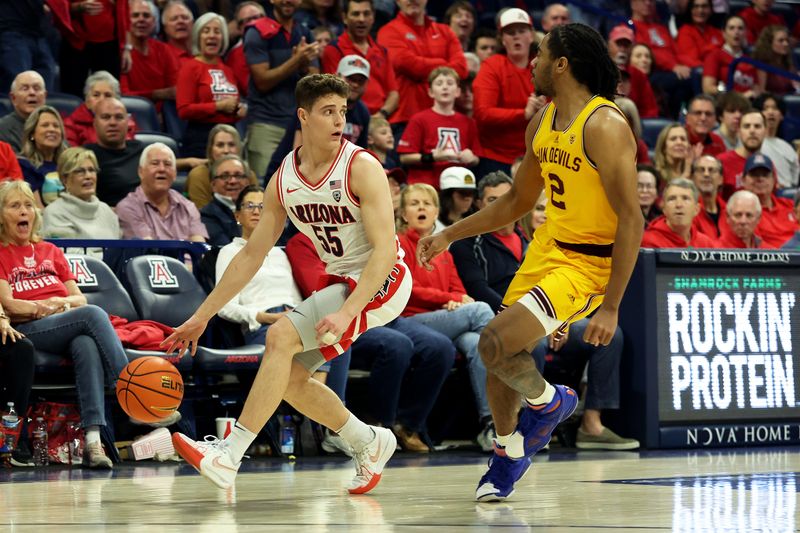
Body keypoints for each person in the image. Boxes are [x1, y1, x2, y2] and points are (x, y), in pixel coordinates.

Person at [416, 23, 643, 502]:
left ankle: (550, 403)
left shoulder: (605, 125)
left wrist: (612, 307)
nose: (533, 62)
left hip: (587, 265)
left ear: (561, 64)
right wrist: (448, 235)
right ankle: (508, 451)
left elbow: (632, 220)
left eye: (540, 54)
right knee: (500, 354)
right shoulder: (542, 121)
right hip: (547, 250)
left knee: (491, 342)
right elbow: (518, 201)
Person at [166, 74, 412, 494]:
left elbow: (385, 251)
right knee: (293, 380)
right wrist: (201, 316)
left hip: (382, 278)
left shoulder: (361, 166)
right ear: (303, 116)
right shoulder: (284, 179)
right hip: (342, 283)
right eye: (327, 111)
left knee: (279, 337)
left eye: (343, 111)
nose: (339, 120)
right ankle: (368, 442)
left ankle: (229, 455)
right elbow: (249, 254)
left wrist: (347, 311)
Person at [0, 180, 139, 469]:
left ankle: (92, 442)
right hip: (27, 330)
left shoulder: (50, 250)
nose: (24, 211)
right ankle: (131, 393)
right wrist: (49, 307)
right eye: (15, 206)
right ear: (1, 215)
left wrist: (52, 306)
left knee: (86, 343)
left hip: (60, 321)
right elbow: (11, 306)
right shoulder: (1, 253)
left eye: (28, 204)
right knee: (94, 316)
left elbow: (79, 299)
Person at [285, 229, 453, 453]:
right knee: (397, 345)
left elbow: (386, 270)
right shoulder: (302, 243)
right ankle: (378, 427)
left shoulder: (354, 230)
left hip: (384, 308)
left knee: (440, 347)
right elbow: (317, 288)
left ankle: (407, 425)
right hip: (349, 315)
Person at [396, 183, 495, 451]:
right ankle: (513, 389)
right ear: (403, 214)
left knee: (476, 342)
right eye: (414, 203)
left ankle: (491, 424)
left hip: (446, 319)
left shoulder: (443, 252)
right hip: (411, 320)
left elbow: (459, 290)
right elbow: (406, 290)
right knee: (481, 311)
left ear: (436, 211)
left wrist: (456, 300)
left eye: (427, 204)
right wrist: (448, 301)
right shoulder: (399, 246)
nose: (421, 208)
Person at [217, 186, 302, 345]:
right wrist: (265, 316)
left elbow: (296, 299)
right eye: (249, 206)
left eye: (262, 207)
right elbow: (225, 308)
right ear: (237, 215)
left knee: (336, 342)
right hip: (262, 325)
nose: (256, 212)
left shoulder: (279, 253)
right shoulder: (229, 252)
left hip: (293, 319)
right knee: (307, 347)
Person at [243, 0, 320, 177]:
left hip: (299, 126)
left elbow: (313, 82)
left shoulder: (304, 32)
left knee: (299, 186)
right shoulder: (256, 31)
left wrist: (303, 68)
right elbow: (262, 81)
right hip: (266, 125)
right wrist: (296, 61)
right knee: (268, 185)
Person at [473, 8, 543, 177]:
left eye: (522, 31)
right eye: (510, 33)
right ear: (502, 39)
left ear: (531, 36)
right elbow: (483, 113)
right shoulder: (492, 66)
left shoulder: (542, 65)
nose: (516, 36)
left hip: (536, 156)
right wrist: (523, 114)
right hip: (497, 157)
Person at [376, 0, 467, 130]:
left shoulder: (445, 31)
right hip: (404, 120)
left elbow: (462, 68)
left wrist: (424, 67)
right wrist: (444, 63)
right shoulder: (388, 32)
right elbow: (407, 64)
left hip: (445, 120)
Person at [450, 171, 528, 314]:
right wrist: (518, 316)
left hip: (536, 311)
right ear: (479, 204)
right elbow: (478, 290)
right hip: (496, 316)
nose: (501, 205)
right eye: (493, 200)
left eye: (507, 198)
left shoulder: (528, 239)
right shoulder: (465, 244)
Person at [398, 66, 480, 188]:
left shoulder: (468, 122)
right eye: (439, 83)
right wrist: (432, 157)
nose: (445, 87)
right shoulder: (419, 119)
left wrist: (471, 158)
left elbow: (476, 157)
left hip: (457, 186)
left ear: (458, 91)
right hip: (426, 185)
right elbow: (405, 157)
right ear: (430, 92)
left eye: (450, 83)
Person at [177, 12, 245, 158]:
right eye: (206, 31)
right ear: (198, 37)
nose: (212, 36)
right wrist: (218, 106)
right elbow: (184, 110)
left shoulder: (227, 69)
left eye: (217, 31)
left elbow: (231, 103)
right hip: (201, 138)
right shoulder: (190, 67)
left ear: (223, 38)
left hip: (229, 135)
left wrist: (238, 111)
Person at [321, 0, 399, 119]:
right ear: (345, 18)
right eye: (356, 14)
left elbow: (393, 93)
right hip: (348, 117)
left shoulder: (382, 51)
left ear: (373, 17)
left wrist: (381, 115)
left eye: (366, 14)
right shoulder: (334, 49)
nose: (361, 19)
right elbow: (333, 91)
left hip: (381, 119)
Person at [116, 142, 208, 241]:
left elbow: (199, 249)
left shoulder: (188, 207)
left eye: (167, 164)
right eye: (155, 163)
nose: (162, 169)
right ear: (141, 172)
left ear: (175, 173)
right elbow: (147, 250)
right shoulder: (128, 208)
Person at [57, 0, 129, 98]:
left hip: (110, 44)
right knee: (72, 96)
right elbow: (57, 6)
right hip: (75, 42)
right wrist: (77, 7)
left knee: (109, 94)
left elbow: (123, 10)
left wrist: (126, 47)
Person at [43, 147, 120, 239]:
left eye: (91, 170)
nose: (88, 176)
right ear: (64, 179)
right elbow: (67, 252)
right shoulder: (54, 212)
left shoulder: (106, 210)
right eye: (80, 171)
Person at [85, 98, 147, 207]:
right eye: (106, 117)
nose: (113, 123)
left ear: (128, 123)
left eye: (119, 117)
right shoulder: (86, 156)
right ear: (95, 123)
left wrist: (187, 161)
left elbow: (159, 165)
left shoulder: (138, 148)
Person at [121, 0, 181, 108]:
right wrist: (157, 94)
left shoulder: (163, 50)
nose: (141, 19)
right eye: (135, 15)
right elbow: (124, 96)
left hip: (163, 116)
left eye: (146, 15)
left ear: (154, 22)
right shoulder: (121, 53)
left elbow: (175, 90)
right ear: (126, 20)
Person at [186, 124, 259, 209]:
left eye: (231, 145)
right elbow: (202, 215)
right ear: (210, 150)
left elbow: (257, 209)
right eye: (220, 145)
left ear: (239, 149)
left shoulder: (249, 175)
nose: (226, 151)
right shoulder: (198, 175)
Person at [64, 71, 138, 147]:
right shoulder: (71, 124)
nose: (102, 99)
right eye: (96, 95)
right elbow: (72, 156)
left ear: (116, 100)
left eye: (108, 95)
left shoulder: (126, 123)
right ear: (87, 100)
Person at [739, 153, 798, 247]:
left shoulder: (790, 205)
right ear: (743, 180)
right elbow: (756, 245)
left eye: (765, 175)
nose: (760, 179)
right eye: (754, 175)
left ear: (774, 180)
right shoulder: (741, 213)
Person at [641, 178, 717, 248]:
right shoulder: (647, 242)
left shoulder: (706, 244)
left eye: (685, 198)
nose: (679, 205)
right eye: (672, 199)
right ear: (664, 209)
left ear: (696, 209)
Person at [18, 106, 68, 208]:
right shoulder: (24, 165)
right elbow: (37, 209)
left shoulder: (69, 164)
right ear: (32, 134)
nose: (52, 129)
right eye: (45, 125)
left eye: (56, 126)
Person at [0, 1, 55, 94]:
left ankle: (41, 109)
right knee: (20, 84)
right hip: (11, 32)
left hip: (39, 35)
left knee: (44, 85)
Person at [201, 154, 251, 246]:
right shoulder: (206, 215)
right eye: (225, 176)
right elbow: (225, 249)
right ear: (213, 185)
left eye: (238, 175)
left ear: (247, 182)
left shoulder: (261, 210)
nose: (232, 181)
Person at [701, 16, 758, 97]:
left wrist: (754, 94)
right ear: (724, 33)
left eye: (740, 28)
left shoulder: (750, 59)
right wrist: (733, 94)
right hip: (725, 102)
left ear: (745, 33)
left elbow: (757, 87)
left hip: (748, 103)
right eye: (731, 28)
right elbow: (707, 88)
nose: (736, 32)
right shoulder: (714, 56)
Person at [718, 110, 768, 199]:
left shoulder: (768, 163)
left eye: (757, 126)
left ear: (765, 131)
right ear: (739, 131)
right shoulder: (722, 161)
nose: (752, 131)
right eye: (746, 126)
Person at [755, 93, 799, 189]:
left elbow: (795, 178)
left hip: (787, 196)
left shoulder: (787, 147)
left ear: (782, 116)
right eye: (765, 108)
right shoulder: (752, 144)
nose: (771, 112)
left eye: (775, 108)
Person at [224, 2, 267, 95]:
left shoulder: (280, 41)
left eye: (257, 17)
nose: (254, 23)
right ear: (239, 29)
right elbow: (251, 90)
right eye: (247, 21)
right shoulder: (235, 55)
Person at [0, 71, 47, 153]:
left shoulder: (54, 125)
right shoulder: (2, 129)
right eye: (25, 89)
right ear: (13, 98)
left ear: (45, 96)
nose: (32, 93)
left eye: (36, 88)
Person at [675, 0, 723, 68]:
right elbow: (692, 60)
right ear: (690, 10)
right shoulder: (685, 31)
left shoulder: (717, 32)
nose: (700, 10)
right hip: (698, 72)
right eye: (695, 6)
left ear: (711, 10)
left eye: (704, 6)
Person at [689, 155, 728, 239]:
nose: (706, 174)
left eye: (712, 170)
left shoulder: (730, 213)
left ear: (721, 179)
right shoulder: (687, 212)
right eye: (701, 170)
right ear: (692, 178)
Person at [752, 25, 797, 95]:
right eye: (781, 41)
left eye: (787, 40)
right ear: (769, 43)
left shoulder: (788, 63)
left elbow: (796, 87)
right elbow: (761, 93)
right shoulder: (762, 65)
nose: (786, 44)